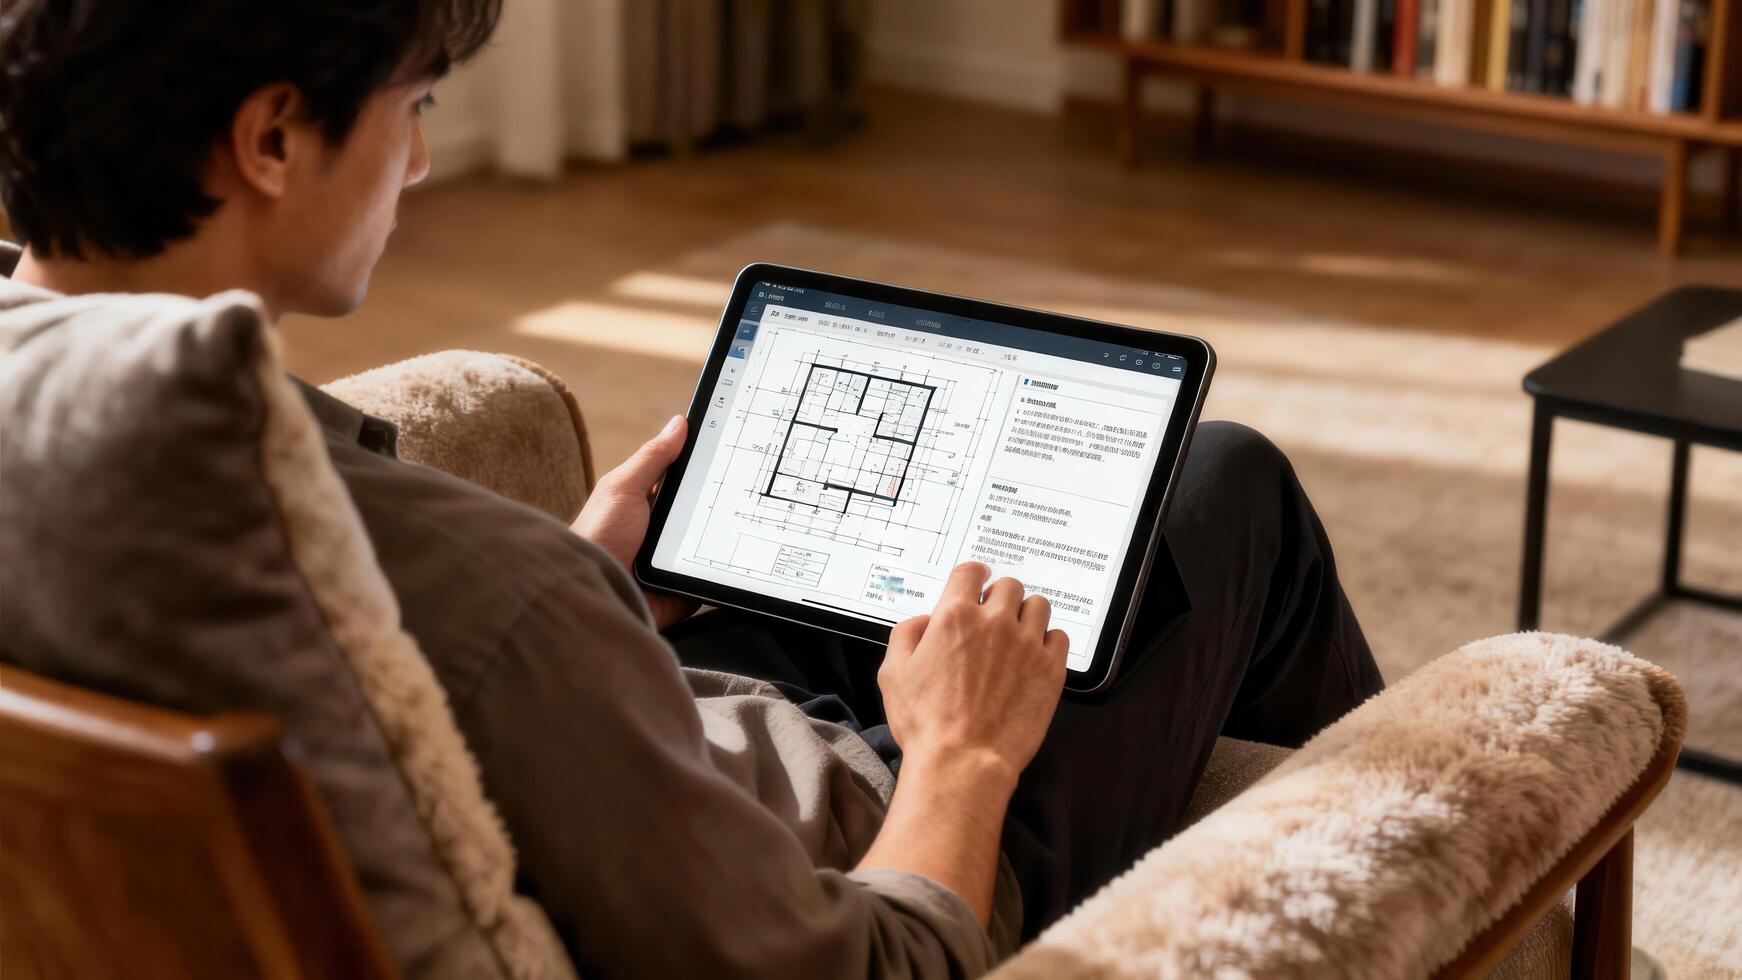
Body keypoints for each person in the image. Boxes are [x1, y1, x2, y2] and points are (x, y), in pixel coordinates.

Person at [0, 1, 1384, 975]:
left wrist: (590, 578)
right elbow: (879, 965)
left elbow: (460, 657)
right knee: (1218, 483)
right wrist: (963, 754)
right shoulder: (499, 597)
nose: (418, 160)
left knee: (828, 558)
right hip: (866, 855)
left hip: (635, 736)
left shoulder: (88, 431)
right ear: (272, 138)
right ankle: (1427, 891)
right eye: (412, 109)